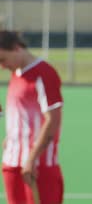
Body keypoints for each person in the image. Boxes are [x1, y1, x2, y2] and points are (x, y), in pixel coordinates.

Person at [0, 31, 64, 204]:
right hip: (12, 163)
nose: (2, 66)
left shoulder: (44, 73)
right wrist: (11, 138)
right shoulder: (17, 73)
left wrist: (32, 158)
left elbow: (53, 121)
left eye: (3, 60)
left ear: (16, 48)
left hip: (37, 166)